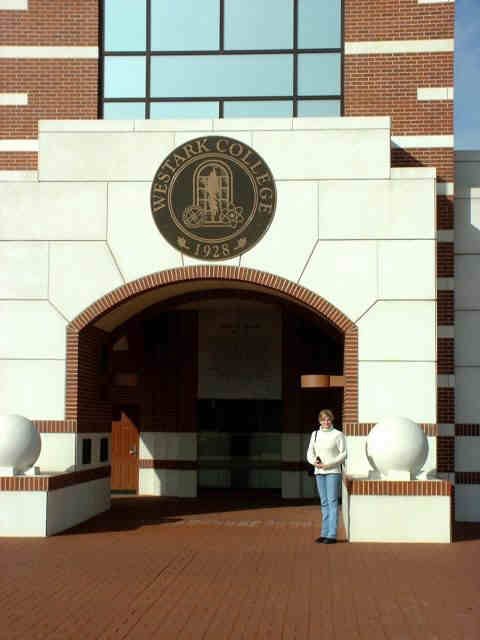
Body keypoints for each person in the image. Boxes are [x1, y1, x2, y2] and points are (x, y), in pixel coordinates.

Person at [307, 408, 347, 544]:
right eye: (323, 419)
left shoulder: (338, 435)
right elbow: (310, 452)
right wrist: (314, 462)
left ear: (332, 420)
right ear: (320, 421)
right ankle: (324, 533)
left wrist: (328, 464)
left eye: (328, 419)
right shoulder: (315, 434)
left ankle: (332, 534)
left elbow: (343, 454)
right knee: (324, 503)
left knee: (332, 502)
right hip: (319, 472)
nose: (326, 422)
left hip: (333, 472)